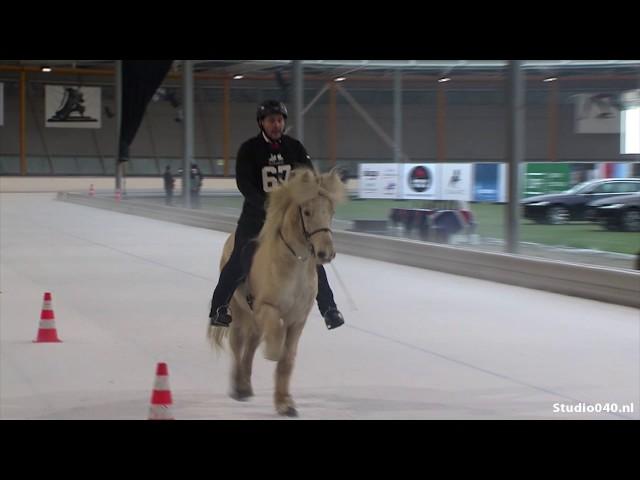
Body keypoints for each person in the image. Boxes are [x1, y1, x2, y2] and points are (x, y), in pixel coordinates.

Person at [209, 100, 344, 330]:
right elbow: (245, 183)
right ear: (262, 123)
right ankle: (219, 307)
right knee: (241, 256)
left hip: (289, 219)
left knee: (312, 259)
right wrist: (266, 204)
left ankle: (329, 309)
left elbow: (309, 179)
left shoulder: (295, 148)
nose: (276, 125)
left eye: (280, 120)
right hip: (256, 217)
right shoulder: (249, 149)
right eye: (271, 120)